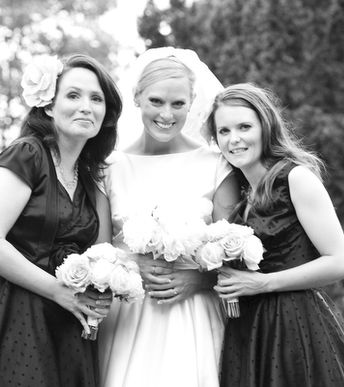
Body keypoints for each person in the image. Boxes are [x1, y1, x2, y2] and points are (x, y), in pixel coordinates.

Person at [0, 53, 122, 387]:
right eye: (73, 95)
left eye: (96, 98)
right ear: (48, 106)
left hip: (66, 325)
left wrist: (103, 290)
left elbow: (103, 254)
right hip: (10, 309)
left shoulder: (92, 179)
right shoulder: (28, 154)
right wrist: (57, 290)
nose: (86, 106)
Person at [207, 83, 344, 386]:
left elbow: (340, 262)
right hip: (248, 330)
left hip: (293, 326)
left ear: (266, 126)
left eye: (244, 127)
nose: (233, 139)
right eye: (224, 131)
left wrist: (263, 283)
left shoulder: (295, 178)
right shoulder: (241, 195)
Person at [98, 47, 240, 387]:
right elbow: (99, 248)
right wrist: (131, 263)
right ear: (137, 98)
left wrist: (198, 281)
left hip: (194, 316)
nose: (167, 114)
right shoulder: (110, 167)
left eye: (178, 104)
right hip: (129, 316)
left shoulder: (216, 164)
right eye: (156, 101)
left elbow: (233, 253)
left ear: (192, 103)